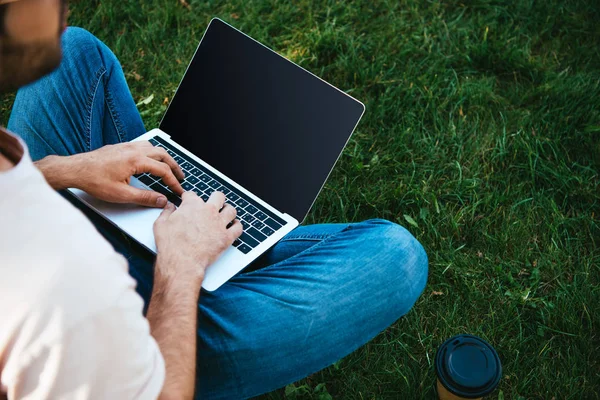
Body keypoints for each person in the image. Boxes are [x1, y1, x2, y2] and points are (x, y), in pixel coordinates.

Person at [0, 0, 429, 398]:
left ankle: (222, 247)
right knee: (397, 256)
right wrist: (180, 264)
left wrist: (66, 169)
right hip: (145, 326)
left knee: (74, 52)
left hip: (65, 235)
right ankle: (223, 268)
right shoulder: (58, 305)